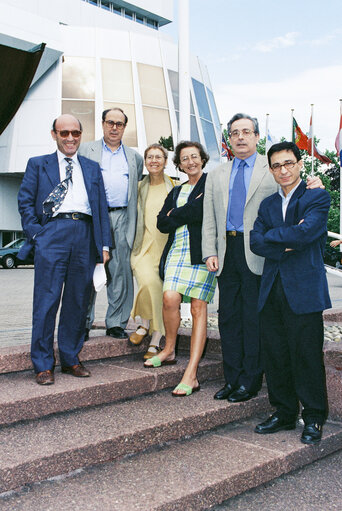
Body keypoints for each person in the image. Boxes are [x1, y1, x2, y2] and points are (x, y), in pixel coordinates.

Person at [202, 113, 324, 403]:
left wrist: (314, 183)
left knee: (253, 320)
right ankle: (232, 379)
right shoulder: (217, 173)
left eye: (246, 131)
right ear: (228, 139)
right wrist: (209, 250)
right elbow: (210, 216)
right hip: (226, 253)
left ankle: (250, 381)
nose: (240, 137)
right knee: (228, 319)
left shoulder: (270, 168)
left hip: (259, 255)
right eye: (234, 133)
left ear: (257, 136)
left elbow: (293, 188)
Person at [17, 114, 111, 385]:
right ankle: (43, 364)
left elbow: (101, 208)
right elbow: (25, 203)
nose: (70, 138)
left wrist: (103, 244)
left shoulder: (91, 168)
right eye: (64, 133)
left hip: (84, 234)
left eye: (75, 133)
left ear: (81, 135)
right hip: (52, 234)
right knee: (46, 301)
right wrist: (38, 234)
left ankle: (70, 358)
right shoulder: (38, 165)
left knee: (77, 302)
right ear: (54, 134)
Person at [250, 141, 331, 445]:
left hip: (305, 289)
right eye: (276, 165)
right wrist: (285, 239)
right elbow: (255, 242)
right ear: (270, 170)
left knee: (307, 355)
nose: (283, 170)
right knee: (276, 354)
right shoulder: (268, 205)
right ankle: (284, 412)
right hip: (271, 289)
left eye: (288, 163)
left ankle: (313, 417)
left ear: (299, 164)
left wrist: (276, 238)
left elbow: (307, 232)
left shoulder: (316, 197)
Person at [144, 141, 216, 397]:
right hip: (177, 252)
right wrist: (182, 213)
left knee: (198, 308)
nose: (190, 162)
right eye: (184, 159)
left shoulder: (211, 184)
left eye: (194, 157)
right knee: (169, 298)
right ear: (179, 164)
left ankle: (192, 373)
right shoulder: (177, 190)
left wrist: (177, 214)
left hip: (202, 254)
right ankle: (170, 349)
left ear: (203, 159)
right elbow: (162, 223)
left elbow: (199, 211)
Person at [79, 107, 143, 340]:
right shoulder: (86, 150)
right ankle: (82, 323)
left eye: (120, 123)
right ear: (103, 123)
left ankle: (116, 323)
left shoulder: (134, 157)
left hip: (123, 218)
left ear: (125, 127)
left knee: (120, 273)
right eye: (110, 122)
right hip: (93, 217)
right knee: (89, 270)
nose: (114, 127)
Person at [130, 143, 175, 359]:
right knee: (149, 283)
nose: (154, 161)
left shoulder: (174, 187)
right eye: (150, 157)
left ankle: (153, 336)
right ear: (145, 162)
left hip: (165, 248)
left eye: (159, 157)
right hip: (142, 247)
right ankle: (146, 325)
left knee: (159, 288)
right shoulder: (138, 187)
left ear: (165, 162)